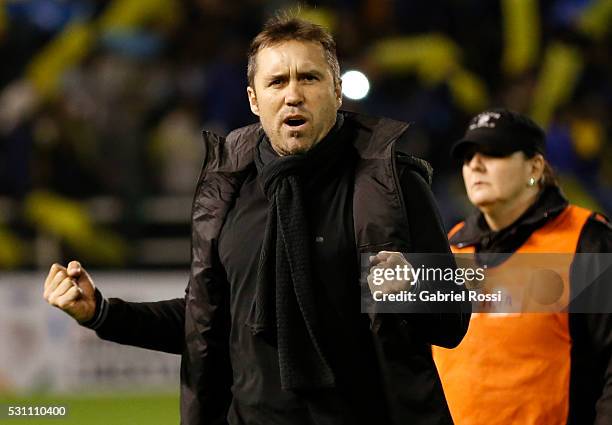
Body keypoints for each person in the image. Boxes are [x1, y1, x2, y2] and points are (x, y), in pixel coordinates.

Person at [43, 16, 470, 425]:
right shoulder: (228, 190)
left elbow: (453, 319)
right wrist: (102, 312)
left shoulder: (391, 182)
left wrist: (413, 287)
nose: (293, 95)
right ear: (253, 99)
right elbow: (206, 322)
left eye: (309, 78)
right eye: (277, 81)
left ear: (337, 91)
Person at [433, 108, 612, 424]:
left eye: (493, 153)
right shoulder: (451, 245)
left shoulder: (588, 241)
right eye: (468, 156)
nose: (475, 164)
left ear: (535, 166)